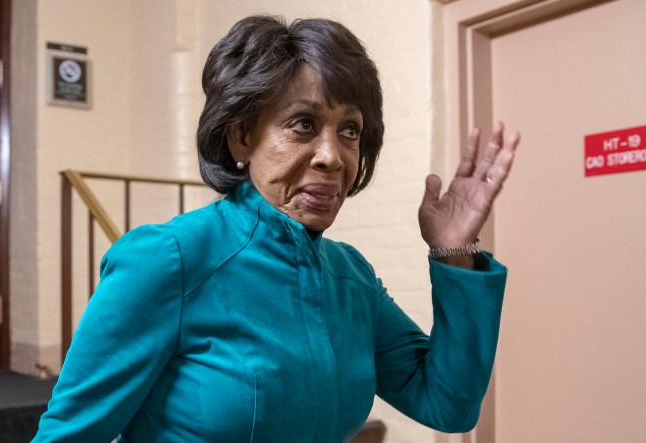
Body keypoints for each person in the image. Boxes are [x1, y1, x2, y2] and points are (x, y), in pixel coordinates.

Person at [33, 15, 519, 442]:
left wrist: (455, 254)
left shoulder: (351, 277)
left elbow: (447, 404)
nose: (332, 156)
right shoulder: (168, 260)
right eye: (303, 124)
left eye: (349, 130)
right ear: (242, 136)